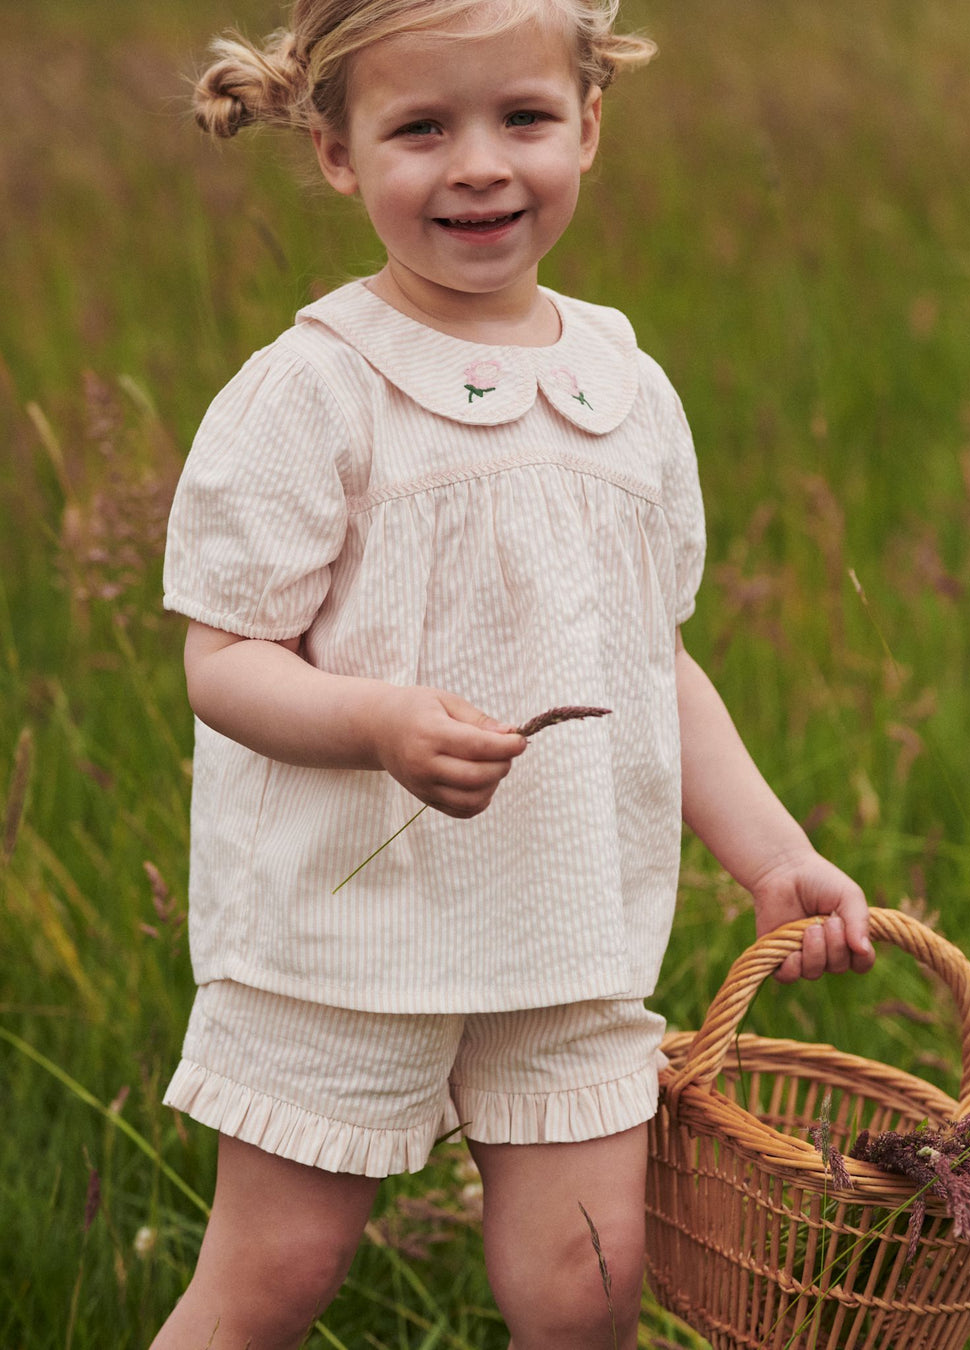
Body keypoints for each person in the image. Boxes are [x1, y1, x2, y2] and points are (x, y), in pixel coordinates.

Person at [153, 2, 876, 1346]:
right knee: (277, 1273)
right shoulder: (315, 390)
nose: (478, 165)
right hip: (347, 939)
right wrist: (372, 720)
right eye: (421, 128)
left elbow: (647, 653)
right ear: (334, 151)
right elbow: (225, 658)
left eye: (524, 119)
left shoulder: (626, 385)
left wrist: (771, 852)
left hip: (568, 920)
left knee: (590, 1279)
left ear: (588, 128)